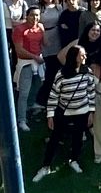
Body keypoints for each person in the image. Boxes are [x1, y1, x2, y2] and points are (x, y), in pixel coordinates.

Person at [33, 46, 97, 182]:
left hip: (82, 112)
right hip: (64, 113)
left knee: (78, 138)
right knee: (55, 138)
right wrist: (50, 115)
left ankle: (74, 159)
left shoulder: (88, 72)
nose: (85, 57)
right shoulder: (61, 74)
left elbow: (91, 92)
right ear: (74, 57)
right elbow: (54, 95)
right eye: (82, 55)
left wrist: (91, 111)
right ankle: (46, 166)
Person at [12, 5, 45, 131]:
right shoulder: (20, 30)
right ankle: (21, 120)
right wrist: (35, 57)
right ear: (27, 16)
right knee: (24, 92)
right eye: (32, 15)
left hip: (38, 62)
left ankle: (30, 105)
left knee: (38, 85)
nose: (34, 18)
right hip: (25, 63)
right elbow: (19, 51)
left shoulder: (40, 27)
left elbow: (44, 43)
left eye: (37, 15)